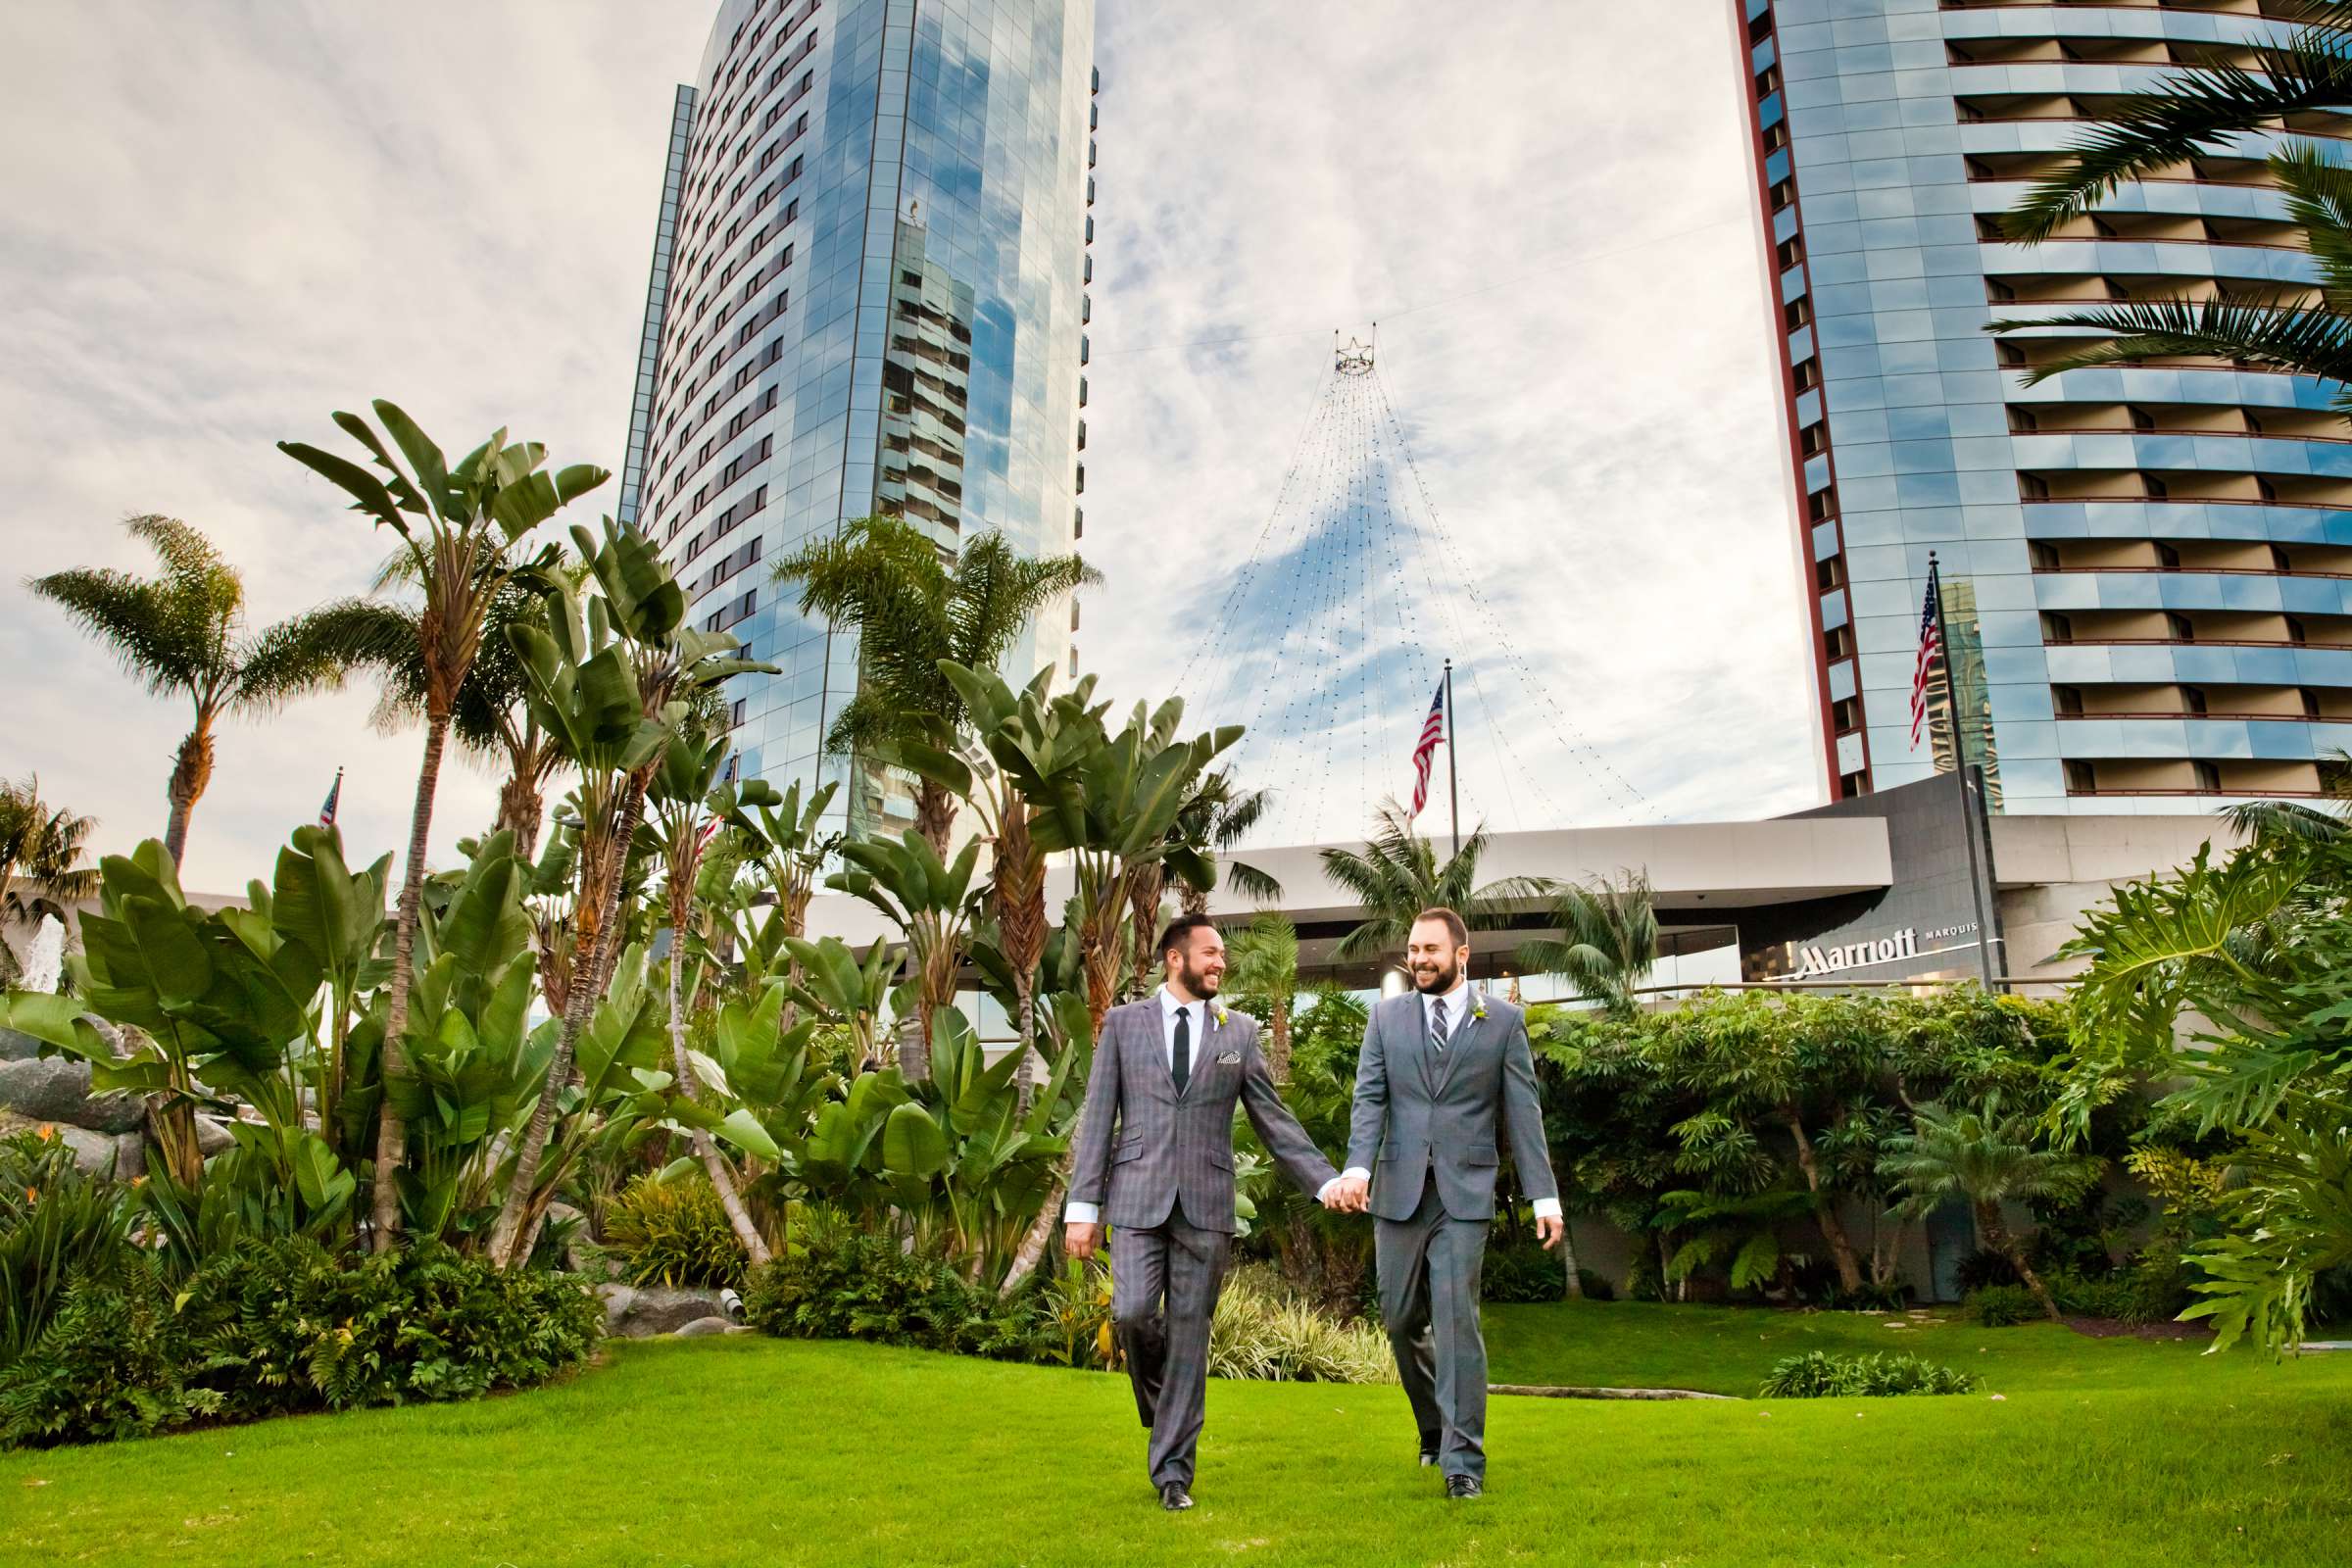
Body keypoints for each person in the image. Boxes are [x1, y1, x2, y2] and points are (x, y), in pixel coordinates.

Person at [1064, 913, 1344, 1511]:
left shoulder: (1237, 1031)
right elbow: (1098, 1118)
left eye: (1222, 956)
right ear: (1175, 958)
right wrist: (1081, 1208)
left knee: (1191, 1335)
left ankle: (1172, 1474)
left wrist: (1324, 1182)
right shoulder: (1122, 1024)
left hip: (1206, 1206)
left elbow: (1274, 1121)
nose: (1221, 963)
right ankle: (1165, 1409)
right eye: (1211, 953)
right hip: (1137, 1198)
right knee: (1134, 1314)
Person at [1324, 906, 1561, 1499]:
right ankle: (1432, 1427)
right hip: (1399, 1190)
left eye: (1431, 949)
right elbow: (1370, 1100)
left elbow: (1522, 1114)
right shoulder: (1386, 1019)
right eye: (1414, 949)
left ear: (1461, 954)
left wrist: (1544, 1196)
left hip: (1465, 1193)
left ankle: (1463, 1463)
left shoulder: (1502, 1022)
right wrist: (1356, 1166)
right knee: (1400, 1319)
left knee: (1457, 1323)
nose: (1419, 959)